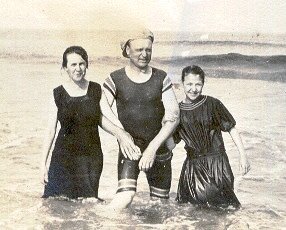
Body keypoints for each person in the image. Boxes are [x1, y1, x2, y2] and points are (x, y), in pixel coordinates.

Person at [40, 46, 141, 199]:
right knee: (56, 205)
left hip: (90, 158)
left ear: (87, 65)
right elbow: (50, 131)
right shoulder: (57, 94)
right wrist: (42, 164)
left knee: (86, 206)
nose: (78, 68)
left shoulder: (96, 90)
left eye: (81, 64)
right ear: (65, 67)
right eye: (73, 65)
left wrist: (125, 136)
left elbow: (110, 117)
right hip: (62, 158)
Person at [103, 28, 180, 210]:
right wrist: (121, 135)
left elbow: (174, 117)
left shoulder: (161, 77)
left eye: (148, 50)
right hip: (131, 149)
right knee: (125, 197)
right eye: (139, 50)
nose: (144, 54)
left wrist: (152, 149)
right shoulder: (115, 78)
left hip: (159, 149)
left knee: (159, 206)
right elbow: (101, 111)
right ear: (127, 51)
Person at [174, 65, 250, 208]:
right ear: (182, 83)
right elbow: (171, 143)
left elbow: (231, 129)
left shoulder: (212, 103)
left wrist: (243, 156)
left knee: (225, 209)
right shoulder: (177, 111)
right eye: (189, 84)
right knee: (200, 210)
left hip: (219, 164)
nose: (193, 89)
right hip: (194, 167)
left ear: (203, 84)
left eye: (198, 84)